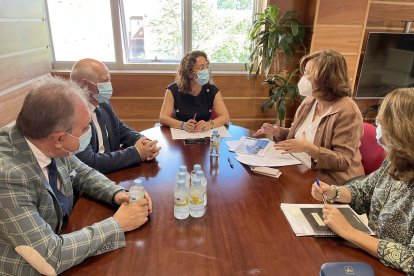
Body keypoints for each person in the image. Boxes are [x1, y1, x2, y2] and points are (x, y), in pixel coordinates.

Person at [0, 76, 152, 275]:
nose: (89, 132)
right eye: (84, 129)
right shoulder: (8, 177)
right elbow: (51, 257)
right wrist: (118, 224)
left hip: (63, 234)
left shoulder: (45, 138)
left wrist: (118, 193)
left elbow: (83, 173)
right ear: (60, 138)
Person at [311, 88, 414, 274]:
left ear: (402, 129)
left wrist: (348, 232)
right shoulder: (396, 160)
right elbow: (364, 190)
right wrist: (333, 192)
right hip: (371, 257)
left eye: (382, 120)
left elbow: (411, 260)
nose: (376, 123)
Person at [254, 50, 364, 185]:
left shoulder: (348, 111)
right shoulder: (310, 100)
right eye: (304, 72)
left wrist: (309, 149)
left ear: (326, 78)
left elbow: (343, 161)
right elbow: (299, 136)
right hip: (298, 168)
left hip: (329, 183)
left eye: (307, 73)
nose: (303, 78)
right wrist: (277, 131)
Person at [70, 58, 161, 174]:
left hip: (113, 171)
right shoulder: (71, 115)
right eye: (104, 81)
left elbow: (121, 129)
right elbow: (89, 162)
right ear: (84, 84)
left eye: (109, 79)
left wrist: (145, 143)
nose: (109, 85)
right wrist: (137, 153)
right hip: (92, 179)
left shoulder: (103, 103)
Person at [159, 50, 230, 132]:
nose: (206, 71)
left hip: (205, 135)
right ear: (189, 73)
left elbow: (225, 117)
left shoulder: (212, 90)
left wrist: (210, 124)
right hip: (180, 136)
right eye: (201, 68)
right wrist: (183, 125)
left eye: (207, 66)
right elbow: (163, 118)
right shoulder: (173, 89)